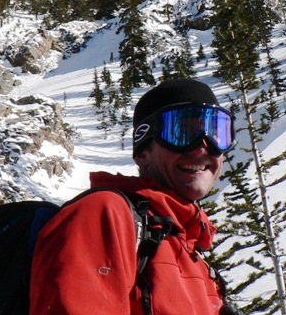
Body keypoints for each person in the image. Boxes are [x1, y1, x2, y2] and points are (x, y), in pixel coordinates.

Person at [29, 78, 238, 314]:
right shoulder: (104, 213)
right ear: (142, 153)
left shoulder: (188, 246)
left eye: (217, 133)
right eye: (180, 132)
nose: (202, 148)